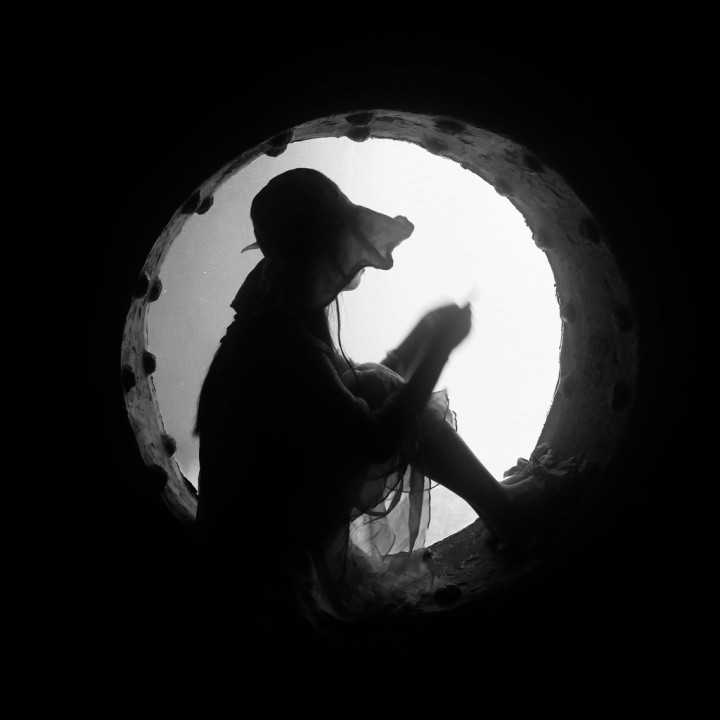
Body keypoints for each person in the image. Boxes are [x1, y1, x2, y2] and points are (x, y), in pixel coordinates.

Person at [194, 168, 552, 637]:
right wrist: (439, 350)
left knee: (371, 380)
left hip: (254, 526)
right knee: (381, 389)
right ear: (323, 247)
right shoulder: (284, 342)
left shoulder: (273, 303)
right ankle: (506, 512)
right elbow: (377, 439)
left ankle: (498, 501)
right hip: (267, 566)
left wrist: (421, 336)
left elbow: (342, 397)